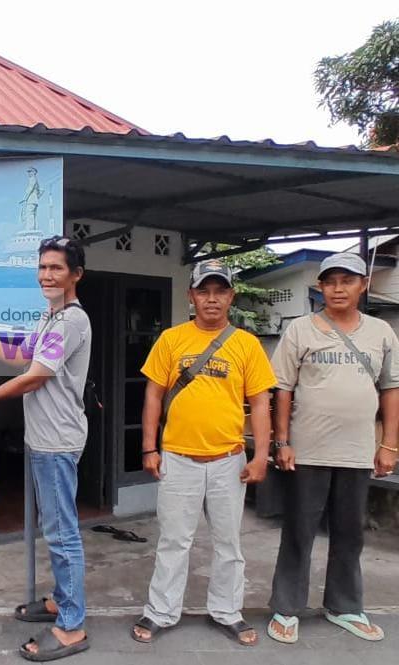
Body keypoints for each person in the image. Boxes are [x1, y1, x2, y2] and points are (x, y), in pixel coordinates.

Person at [0, 235, 91, 662]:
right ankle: (61, 602)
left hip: (57, 441)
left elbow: (34, 377)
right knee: (56, 528)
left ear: (76, 274)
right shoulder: (51, 318)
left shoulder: (70, 321)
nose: (47, 275)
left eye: (57, 268)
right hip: (44, 439)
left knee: (63, 534)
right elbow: (21, 355)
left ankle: (72, 625)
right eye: (43, 267)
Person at [132, 259, 275, 647]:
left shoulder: (246, 344)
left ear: (231, 296)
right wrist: (149, 447)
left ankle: (227, 612)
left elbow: (260, 403)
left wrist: (260, 454)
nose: (212, 299)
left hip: (230, 460)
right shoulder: (171, 340)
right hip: (178, 458)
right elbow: (153, 395)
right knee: (174, 542)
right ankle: (161, 611)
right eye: (204, 291)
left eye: (220, 291)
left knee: (229, 543)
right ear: (191, 295)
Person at [267, 252, 399, 644]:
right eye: (330, 281)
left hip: (358, 451)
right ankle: (286, 608)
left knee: (349, 533)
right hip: (307, 450)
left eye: (347, 280)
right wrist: (282, 441)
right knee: (298, 531)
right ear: (320, 287)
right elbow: (283, 388)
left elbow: (391, 389)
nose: (338, 288)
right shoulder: (300, 330)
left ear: (363, 285)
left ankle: (344, 606)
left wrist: (389, 444)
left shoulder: (381, 333)